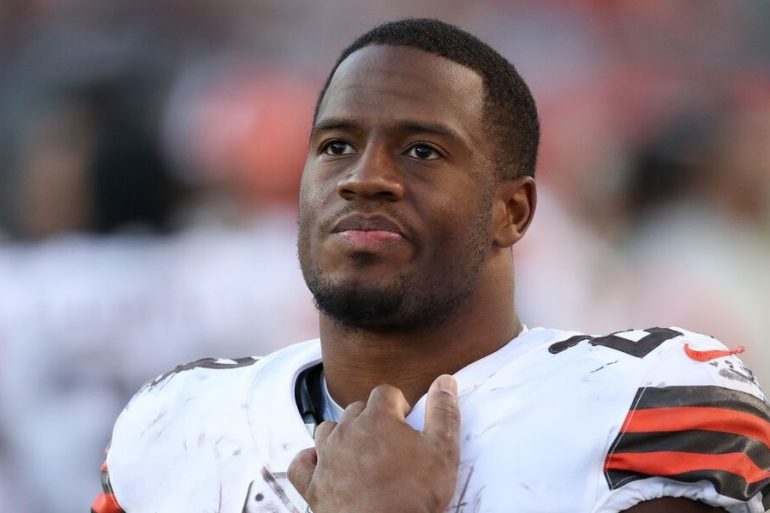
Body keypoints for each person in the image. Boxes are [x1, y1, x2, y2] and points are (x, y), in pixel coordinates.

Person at [91, 18, 770, 513]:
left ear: (512, 211)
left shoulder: (638, 406)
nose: (363, 177)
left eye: (422, 151)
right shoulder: (178, 422)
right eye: (335, 146)